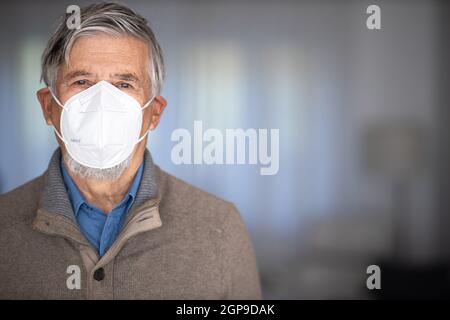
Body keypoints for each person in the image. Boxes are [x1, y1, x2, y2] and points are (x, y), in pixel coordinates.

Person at [0, 2, 261, 299]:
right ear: (49, 106)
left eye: (124, 84)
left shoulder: (219, 227)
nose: (102, 103)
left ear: (154, 114)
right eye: (81, 81)